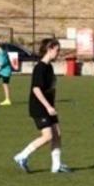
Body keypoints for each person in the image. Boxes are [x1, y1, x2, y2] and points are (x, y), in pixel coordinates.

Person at [14, 38, 70, 174]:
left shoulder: (49, 67)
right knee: (48, 136)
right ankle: (22, 156)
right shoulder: (40, 67)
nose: (58, 53)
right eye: (57, 50)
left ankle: (56, 166)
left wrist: (52, 105)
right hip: (39, 107)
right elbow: (36, 89)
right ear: (49, 49)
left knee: (57, 134)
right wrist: (48, 107)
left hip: (49, 106)